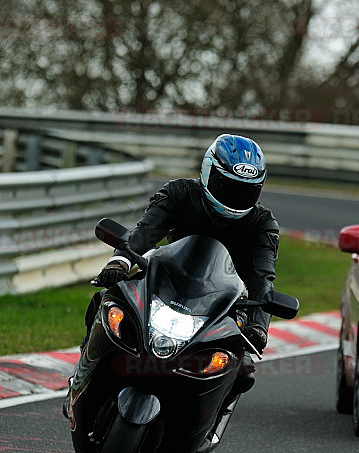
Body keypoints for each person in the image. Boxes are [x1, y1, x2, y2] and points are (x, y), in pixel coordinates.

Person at [82, 133, 278, 396]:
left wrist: (258, 326)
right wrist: (120, 261)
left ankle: (210, 420)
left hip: (223, 303)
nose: (234, 197)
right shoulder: (179, 193)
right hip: (164, 282)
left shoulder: (262, 223)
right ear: (209, 173)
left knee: (241, 365)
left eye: (244, 191)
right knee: (109, 301)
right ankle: (83, 375)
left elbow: (261, 276)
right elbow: (145, 232)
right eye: (227, 186)